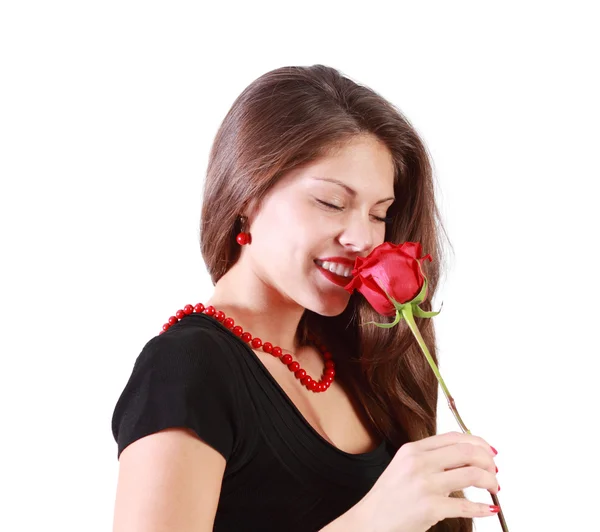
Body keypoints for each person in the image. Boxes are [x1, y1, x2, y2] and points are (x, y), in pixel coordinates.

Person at [111, 65, 499, 532]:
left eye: (379, 214)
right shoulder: (186, 367)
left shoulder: (357, 357)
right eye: (331, 202)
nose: (362, 237)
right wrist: (373, 521)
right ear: (246, 194)